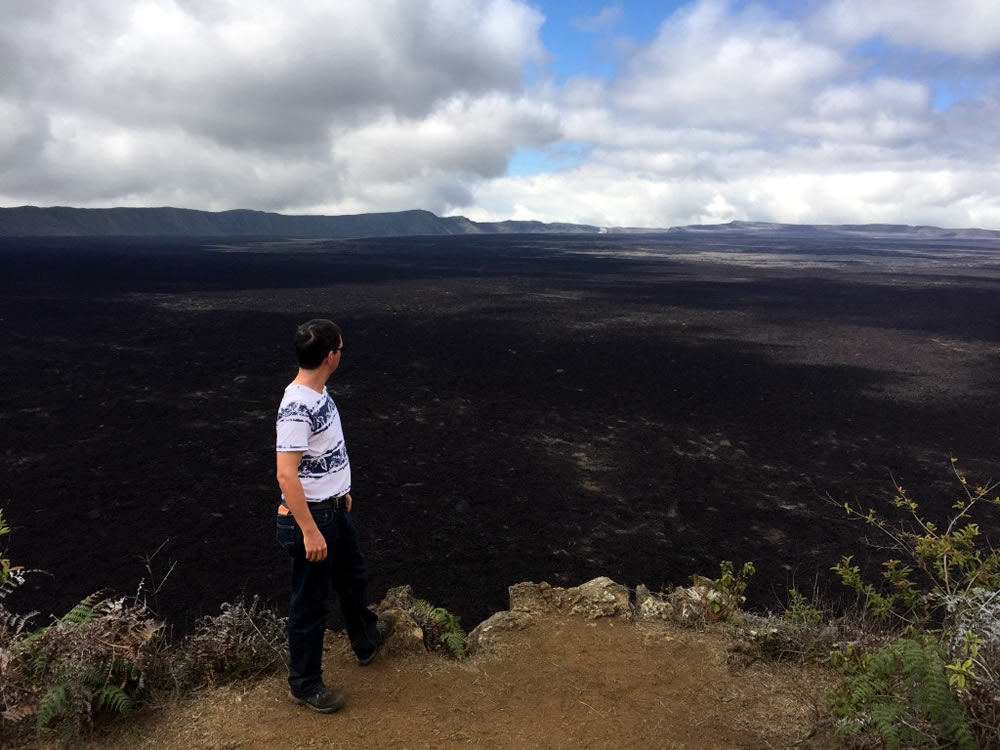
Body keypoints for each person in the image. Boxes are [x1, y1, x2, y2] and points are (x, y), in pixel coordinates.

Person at [275, 318, 394, 713]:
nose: (341, 354)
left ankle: (366, 638)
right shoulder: (296, 407)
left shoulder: (318, 394)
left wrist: (341, 490)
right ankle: (304, 685)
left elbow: (322, 453)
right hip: (312, 520)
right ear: (330, 356)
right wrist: (309, 531)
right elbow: (285, 473)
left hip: (333, 508)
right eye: (341, 349)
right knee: (309, 604)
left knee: (353, 577)